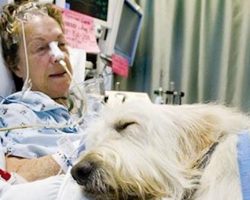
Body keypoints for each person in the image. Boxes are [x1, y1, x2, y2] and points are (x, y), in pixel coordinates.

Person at [0, 0, 99, 199]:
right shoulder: (20, 112)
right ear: (16, 65)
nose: (58, 56)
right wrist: (83, 147)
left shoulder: (87, 103)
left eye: (61, 44)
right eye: (41, 48)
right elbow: (17, 175)